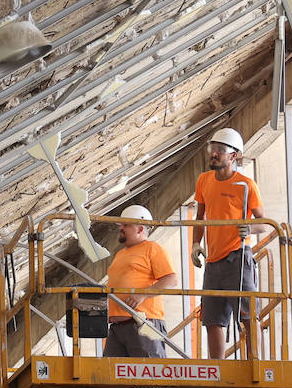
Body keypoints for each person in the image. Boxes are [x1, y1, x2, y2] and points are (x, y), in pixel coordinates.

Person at [190, 127, 265, 360]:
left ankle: (256, 362)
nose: (214, 154)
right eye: (213, 149)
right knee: (212, 318)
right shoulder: (204, 181)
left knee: (247, 314)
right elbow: (200, 217)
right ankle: (217, 368)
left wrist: (249, 228)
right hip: (213, 260)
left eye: (221, 150)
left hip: (238, 257)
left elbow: (264, 222)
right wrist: (196, 243)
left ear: (233, 156)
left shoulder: (246, 184)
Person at [103, 204, 180, 358]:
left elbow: (171, 279)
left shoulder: (152, 248)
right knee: (110, 377)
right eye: (121, 225)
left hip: (143, 322)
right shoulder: (120, 254)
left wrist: (142, 295)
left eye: (126, 225)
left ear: (140, 229)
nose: (121, 228)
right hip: (117, 326)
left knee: (148, 376)